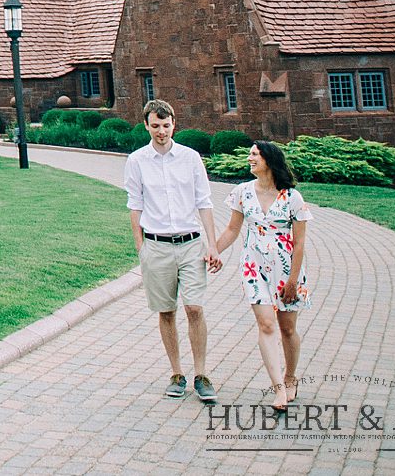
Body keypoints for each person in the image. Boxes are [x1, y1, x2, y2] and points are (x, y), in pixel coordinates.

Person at [124, 99, 222, 403]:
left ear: (174, 124)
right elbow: (135, 206)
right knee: (167, 311)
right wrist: (141, 248)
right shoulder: (137, 161)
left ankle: (202, 375)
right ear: (146, 125)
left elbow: (204, 203)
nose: (162, 131)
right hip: (157, 246)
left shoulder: (191, 158)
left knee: (194, 307)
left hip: (191, 243)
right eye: (156, 126)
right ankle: (177, 373)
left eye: (166, 125)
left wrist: (213, 245)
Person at [210, 140, 310, 413]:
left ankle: (291, 377)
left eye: (255, 154)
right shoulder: (242, 192)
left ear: (269, 159)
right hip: (254, 267)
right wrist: (212, 251)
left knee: (287, 328)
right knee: (266, 325)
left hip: (286, 269)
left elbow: (299, 243)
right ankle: (278, 387)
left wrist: (292, 280)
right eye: (250, 154)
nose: (249, 158)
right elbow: (232, 230)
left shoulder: (292, 198)